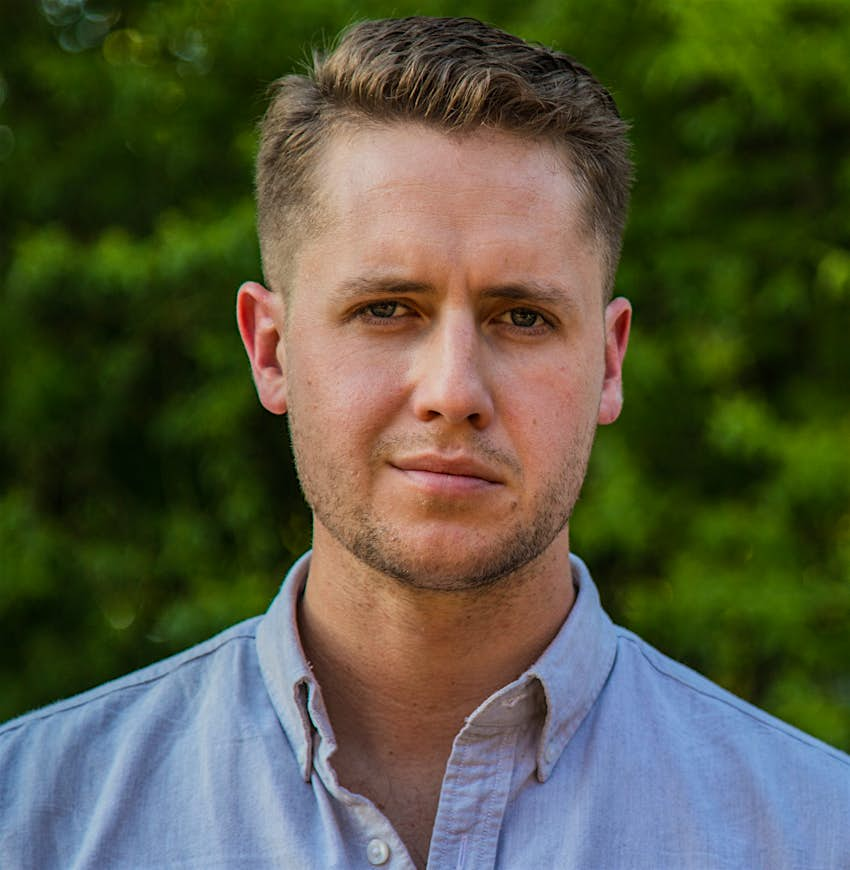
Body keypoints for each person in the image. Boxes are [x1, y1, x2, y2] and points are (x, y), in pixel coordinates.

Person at [1, 15, 848, 870]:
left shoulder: (816, 832)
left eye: (523, 317)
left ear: (608, 362)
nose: (453, 393)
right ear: (271, 350)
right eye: (385, 310)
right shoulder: (33, 820)